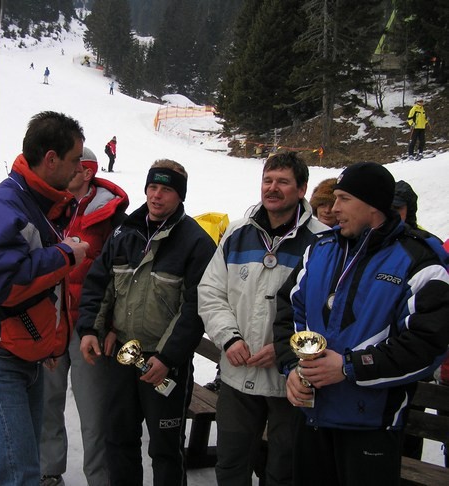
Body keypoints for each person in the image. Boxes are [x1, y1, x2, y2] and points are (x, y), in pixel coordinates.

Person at [273, 162, 449, 485]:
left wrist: (348, 366)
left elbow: (426, 344)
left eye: (344, 199)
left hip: (371, 428)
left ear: (373, 206)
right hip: (311, 418)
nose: (333, 208)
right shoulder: (319, 250)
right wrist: (291, 368)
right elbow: (288, 311)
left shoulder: (419, 261)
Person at [0, 111, 89, 486]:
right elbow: (1, 284)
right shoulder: (5, 206)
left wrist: (46, 344)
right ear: (50, 159)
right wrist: (65, 255)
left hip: (20, 354)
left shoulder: (34, 202)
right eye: (75, 159)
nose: (80, 167)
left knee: (26, 469)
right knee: (19, 474)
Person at [77, 159, 217, 486]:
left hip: (164, 366)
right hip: (121, 359)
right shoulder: (124, 232)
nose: (156, 196)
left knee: (165, 450)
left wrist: (167, 358)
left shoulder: (195, 242)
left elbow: (195, 307)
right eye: (152, 187)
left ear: (180, 195)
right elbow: (100, 283)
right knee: (119, 440)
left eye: (166, 189)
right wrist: (92, 329)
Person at [198, 151, 328, 485]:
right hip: (237, 374)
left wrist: (286, 348)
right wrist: (229, 338)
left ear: (301, 189)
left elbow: (326, 308)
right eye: (267, 180)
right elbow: (211, 292)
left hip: (291, 380)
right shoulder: (238, 233)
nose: (272, 188)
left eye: (283, 181)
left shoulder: (322, 240)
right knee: (230, 465)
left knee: (282, 469)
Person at [39, 147, 129, 486]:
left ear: (87, 171)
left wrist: (108, 323)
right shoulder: (49, 207)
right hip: (50, 320)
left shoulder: (110, 214)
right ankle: (49, 469)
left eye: (72, 166)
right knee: (48, 401)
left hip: (87, 324)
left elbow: (118, 275)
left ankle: (99, 478)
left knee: (94, 411)